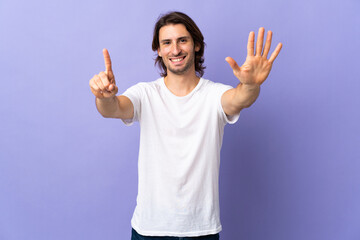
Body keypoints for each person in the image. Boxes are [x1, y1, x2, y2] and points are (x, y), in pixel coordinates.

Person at [89, 11, 282, 240]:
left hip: (202, 230)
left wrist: (250, 85)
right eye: (167, 43)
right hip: (150, 230)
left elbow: (240, 99)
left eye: (182, 40)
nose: (175, 49)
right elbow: (112, 109)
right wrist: (103, 96)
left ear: (197, 45)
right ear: (159, 51)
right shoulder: (145, 94)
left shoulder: (213, 94)